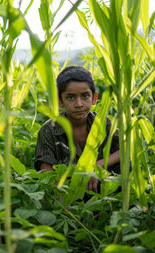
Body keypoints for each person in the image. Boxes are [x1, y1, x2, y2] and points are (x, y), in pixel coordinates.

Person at [34, 66, 121, 195]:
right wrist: (63, 203)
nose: (79, 104)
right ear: (59, 101)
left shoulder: (102, 123)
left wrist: (96, 166)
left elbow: (125, 150)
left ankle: (117, 209)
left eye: (85, 96)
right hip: (68, 192)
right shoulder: (48, 131)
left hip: (98, 186)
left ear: (94, 98)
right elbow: (47, 172)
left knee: (125, 166)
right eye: (70, 98)